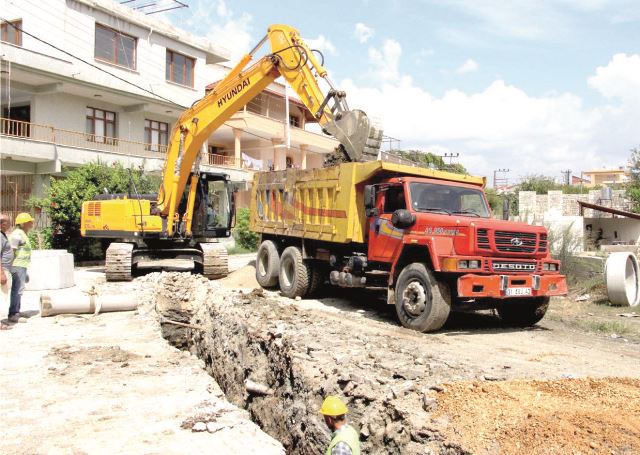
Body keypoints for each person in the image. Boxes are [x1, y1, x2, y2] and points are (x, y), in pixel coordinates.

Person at [8, 212, 34, 323]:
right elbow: (11, 251)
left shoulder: (22, 233)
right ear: (23, 223)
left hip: (21, 265)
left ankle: (16, 311)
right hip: (17, 265)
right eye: (29, 222)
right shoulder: (17, 234)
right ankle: (13, 314)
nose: (32, 223)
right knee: (17, 290)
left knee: (19, 289)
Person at [0, 213, 14, 330]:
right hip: (2, 270)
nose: (10, 224)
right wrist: (1, 274)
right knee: (1, 297)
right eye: (8, 222)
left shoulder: (2, 235)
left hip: (5, 269)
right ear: (2, 224)